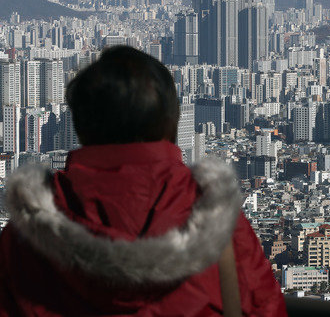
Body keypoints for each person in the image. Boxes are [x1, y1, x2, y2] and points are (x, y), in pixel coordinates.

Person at [0, 46, 287, 316]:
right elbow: (266, 308)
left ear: (81, 126)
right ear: (171, 121)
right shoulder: (220, 226)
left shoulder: (26, 236)